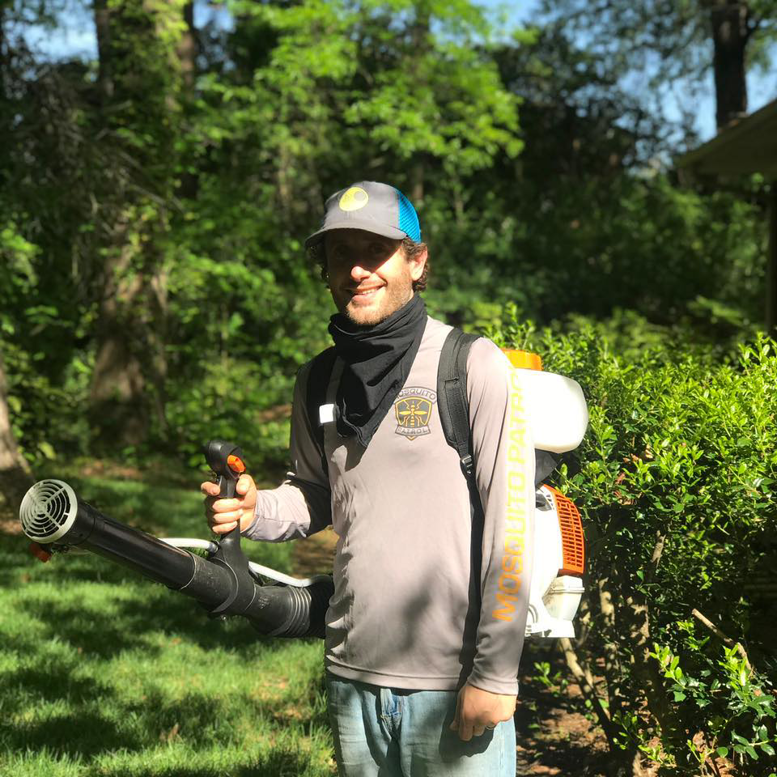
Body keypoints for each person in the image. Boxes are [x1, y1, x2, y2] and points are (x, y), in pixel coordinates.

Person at [201, 181, 535, 776]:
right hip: (351, 677)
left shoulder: (472, 367)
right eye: (338, 254)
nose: (356, 269)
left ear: (416, 260)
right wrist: (255, 512)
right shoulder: (317, 380)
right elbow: (314, 495)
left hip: (451, 682)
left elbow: (510, 535)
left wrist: (494, 674)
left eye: (375, 250)